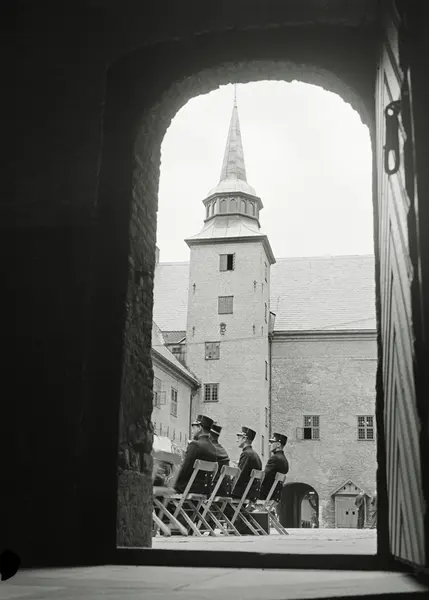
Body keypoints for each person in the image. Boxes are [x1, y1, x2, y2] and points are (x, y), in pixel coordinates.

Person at [174, 415, 218, 495]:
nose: (192, 431)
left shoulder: (195, 445)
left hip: (188, 488)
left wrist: (171, 481)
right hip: (204, 490)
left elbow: (184, 470)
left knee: (161, 489)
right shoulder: (213, 448)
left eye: (194, 428)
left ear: (200, 428)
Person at [232, 426, 263, 500]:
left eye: (239, 437)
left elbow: (239, 476)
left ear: (244, 438)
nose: (237, 440)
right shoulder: (255, 455)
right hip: (252, 493)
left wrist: (229, 484)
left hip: (243, 494)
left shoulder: (246, 454)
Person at [259, 432, 289, 501]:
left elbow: (264, 476)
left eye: (272, 442)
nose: (269, 444)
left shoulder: (275, 458)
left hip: (265, 494)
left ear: (278, 444)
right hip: (275, 495)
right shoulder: (284, 460)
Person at [210, 422, 230, 495]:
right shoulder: (222, 450)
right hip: (224, 488)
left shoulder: (211, 449)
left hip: (214, 490)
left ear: (209, 435)